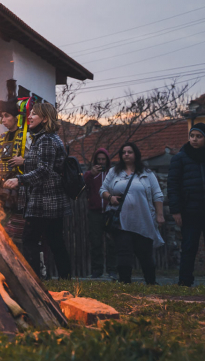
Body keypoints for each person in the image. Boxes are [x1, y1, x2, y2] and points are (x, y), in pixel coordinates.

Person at [3, 100, 72, 280]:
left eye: (33, 113)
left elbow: (44, 171)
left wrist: (19, 180)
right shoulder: (41, 138)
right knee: (55, 240)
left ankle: (34, 280)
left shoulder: (47, 140)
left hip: (45, 201)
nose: (29, 116)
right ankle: (66, 278)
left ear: (45, 118)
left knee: (30, 240)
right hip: (47, 200)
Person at [101, 142, 164, 284]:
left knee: (145, 254)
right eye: (123, 152)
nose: (126, 155)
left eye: (129, 152)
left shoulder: (147, 173)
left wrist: (160, 215)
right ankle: (125, 283)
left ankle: (151, 283)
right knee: (124, 253)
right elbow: (102, 189)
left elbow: (157, 194)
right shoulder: (114, 172)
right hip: (121, 221)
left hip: (143, 220)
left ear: (136, 154)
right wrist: (110, 197)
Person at [167, 123, 205, 287]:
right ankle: (184, 281)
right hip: (190, 210)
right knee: (189, 246)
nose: (194, 139)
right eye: (192, 136)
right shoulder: (180, 158)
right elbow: (173, 185)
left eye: (199, 136)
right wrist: (176, 211)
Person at [0, 98, 28, 246]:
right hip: (3, 190)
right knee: (2, 232)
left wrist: (24, 161)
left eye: (7, 116)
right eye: (2, 117)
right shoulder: (2, 138)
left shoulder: (27, 136)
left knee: (20, 237)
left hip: (21, 192)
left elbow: (41, 164)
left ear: (16, 117)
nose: (3, 120)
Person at [83, 148, 115, 278]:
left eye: (103, 160)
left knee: (112, 242)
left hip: (110, 212)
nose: (101, 162)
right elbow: (82, 185)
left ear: (107, 161)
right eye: (99, 160)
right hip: (95, 211)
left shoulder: (112, 174)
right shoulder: (91, 174)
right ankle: (97, 270)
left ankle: (112, 269)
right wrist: (91, 173)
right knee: (95, 242)